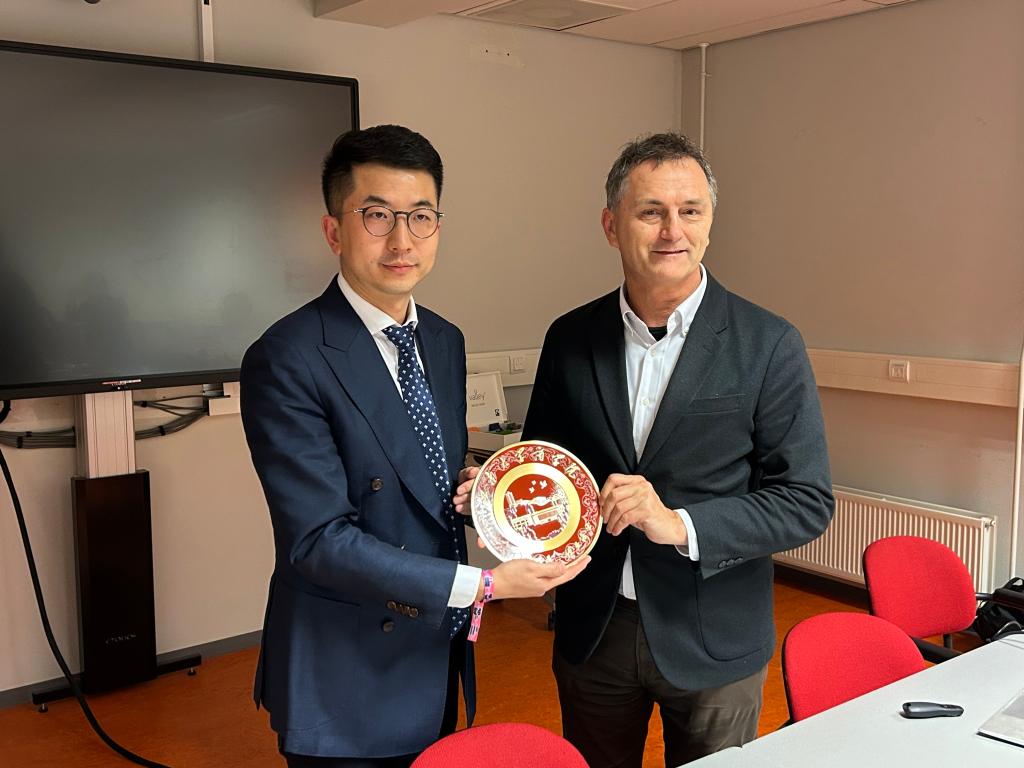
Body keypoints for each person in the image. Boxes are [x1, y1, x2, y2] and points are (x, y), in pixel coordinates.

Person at [240, 124, 588, 768]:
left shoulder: (443, 340)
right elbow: (317, 541)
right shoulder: (286, 356)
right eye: (377, 215)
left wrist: (483, 495)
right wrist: (484, 585)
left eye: (421, 216)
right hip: (345, 669)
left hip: (432, 648)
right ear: (333, 231)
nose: (402, 240)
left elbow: (423, 475)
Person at [519, 132, 834, 767]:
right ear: (611, 225)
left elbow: (805, 501)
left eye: (690, 210)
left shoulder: (769, 343)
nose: (673, 231)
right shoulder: (570, 337)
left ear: (710, 222)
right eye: (650, 211)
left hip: (715, 636)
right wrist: (496, 493)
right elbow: (542, 467)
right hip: (595, 629)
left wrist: (679, 523)